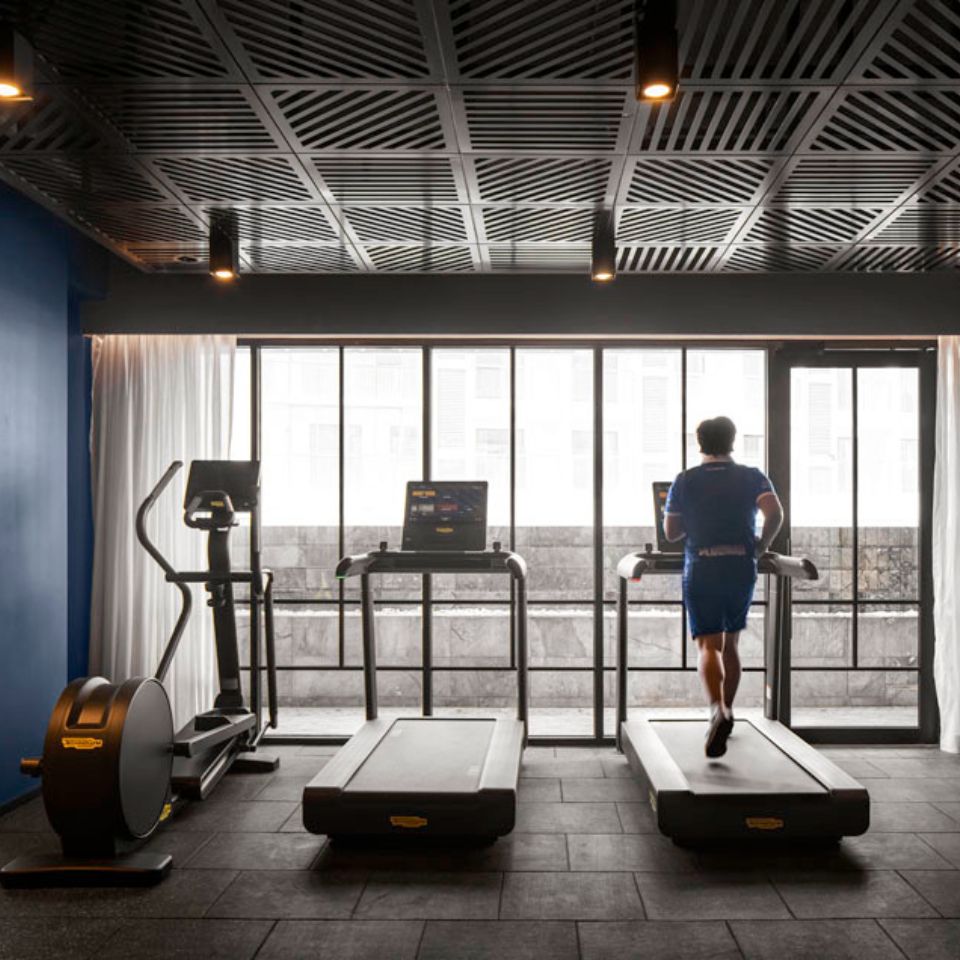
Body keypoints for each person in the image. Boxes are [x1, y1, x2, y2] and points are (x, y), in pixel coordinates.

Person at [663, 416, 783, 758]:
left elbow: (671, 533)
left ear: (700, 442)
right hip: (739, 564)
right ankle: (728, 709)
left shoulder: (685, 480)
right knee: (731, 643)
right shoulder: (751, 476)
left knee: (708, 645)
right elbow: (775, 513)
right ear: (732, 441)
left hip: (703, 563)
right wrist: (760, 546)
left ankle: (717, 710)